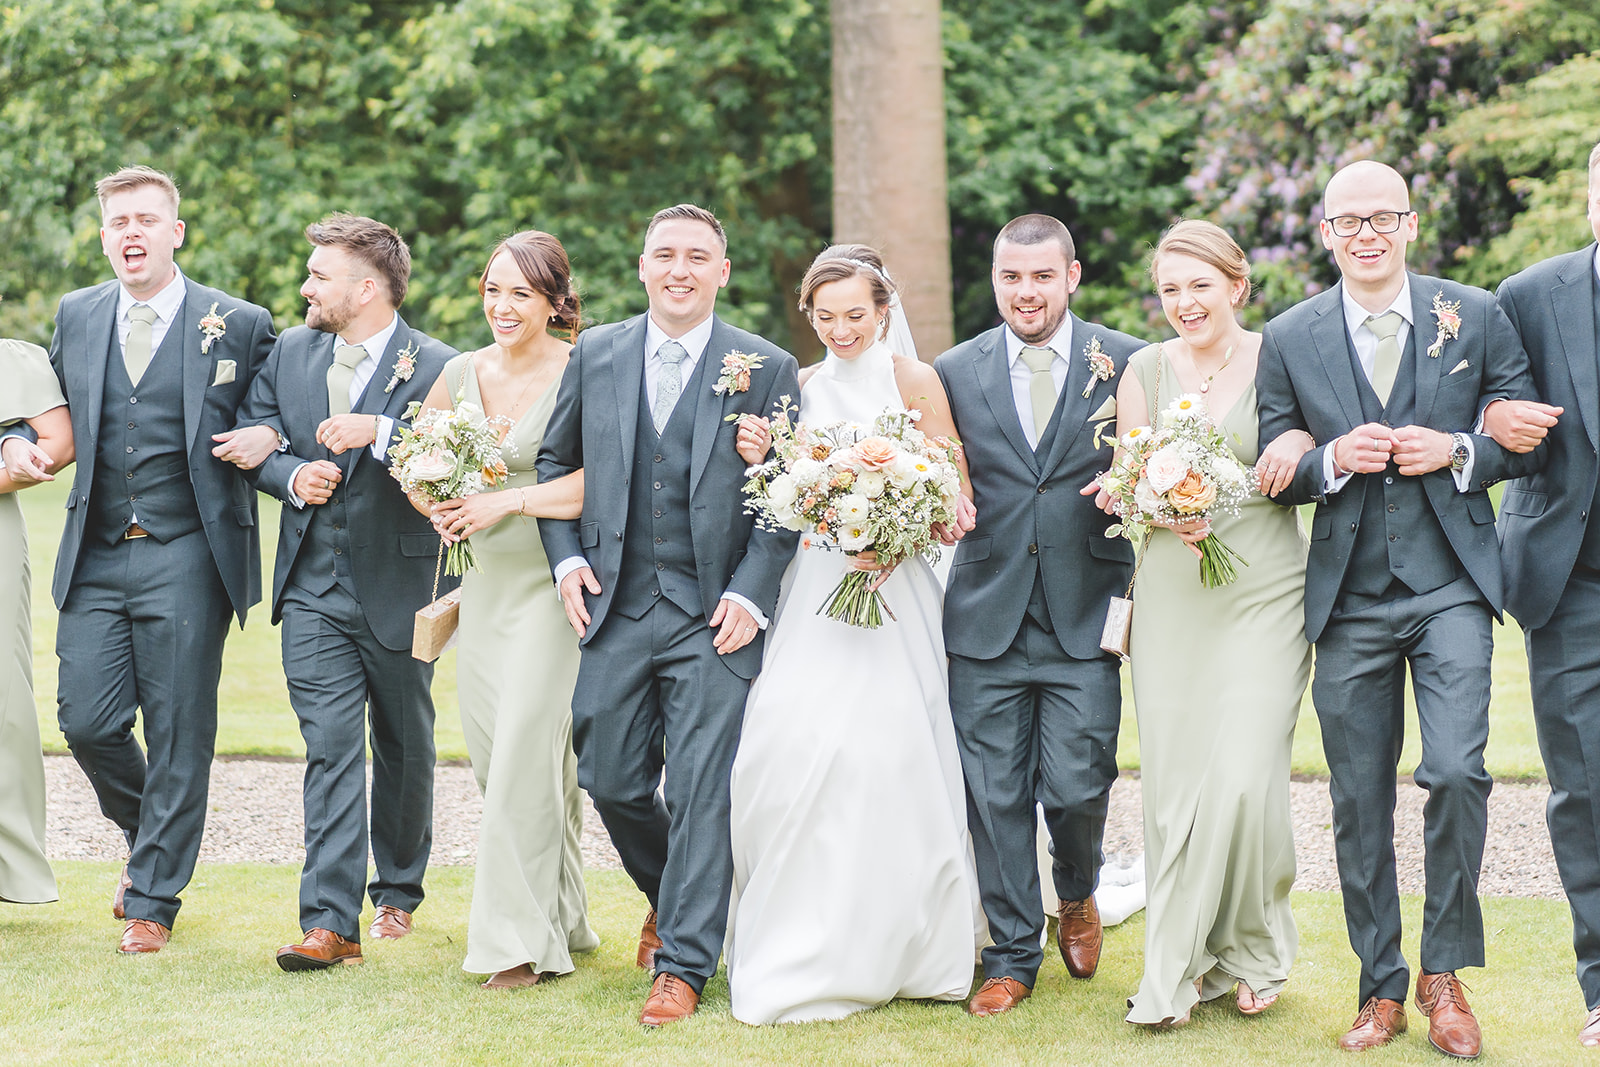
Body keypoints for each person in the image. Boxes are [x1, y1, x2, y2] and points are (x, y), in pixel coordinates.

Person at [1255, 160, 1544, 1058]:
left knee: (1457, 771)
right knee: (1356, 797)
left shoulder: (1476, 312)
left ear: (1411, 224)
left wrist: (1457, 448)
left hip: (1451, 584)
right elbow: (1276, 461)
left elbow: (1520, 433)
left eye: (1383, 217)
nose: (1367, 233)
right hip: (1347, 598)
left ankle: (1444, 975)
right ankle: (1379, 984)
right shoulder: (1291, 334)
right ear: (1328, 234)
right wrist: (1332, 456)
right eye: (1350, 221)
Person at [534, 204, 799, 1027]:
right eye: (665, 254)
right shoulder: (598, 350)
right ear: (642, 265)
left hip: (714, 612)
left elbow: (789, 492)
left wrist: (753, 593)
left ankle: (683, 964)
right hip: (615, 604)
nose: (679, 269)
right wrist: (568, 558)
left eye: (697, 256)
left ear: (723, 271)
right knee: (608, 775)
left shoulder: (766, 364)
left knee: (697, 787)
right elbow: (555, 461)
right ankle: (675, 895)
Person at [22, 166, 276, 954]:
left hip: (190, 552)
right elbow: (48, 414)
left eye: (144, 220)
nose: (129, 234)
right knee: (87, 722)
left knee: (179, 729)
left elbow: (273, 410)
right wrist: (10, 440)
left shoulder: (237, 322)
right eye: (116, 223)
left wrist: (271, 435)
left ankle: (154, 898)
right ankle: (148, 833)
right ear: (103, 237)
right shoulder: (77, 313)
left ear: (176, 231)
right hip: (96, 549)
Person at [724, 246, 981, 1024]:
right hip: (819, 591)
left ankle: (907, 934)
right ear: (809, 314)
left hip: (898, 589)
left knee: (890, 747)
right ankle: (795, 923)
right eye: (826, 316)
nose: (842, 330)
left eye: (856, 316)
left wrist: (899, 532)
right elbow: (781, 498)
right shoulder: (800, 388)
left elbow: (955, 496)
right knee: (785, 742)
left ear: (883, 310)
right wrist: (775, 470)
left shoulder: (915, 381)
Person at [213, 214, 455, 971]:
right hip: (312, 586)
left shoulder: (439, 364)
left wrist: (379, 430)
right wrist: (289, 475)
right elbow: (255, 438)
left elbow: (454, 466)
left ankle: (400, 891)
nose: (305, 287)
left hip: (403, 581)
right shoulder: (290, 350)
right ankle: (328, 922)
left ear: (367, 287)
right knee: (329, 747)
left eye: (319, 275)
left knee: (406, 742)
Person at [1095, 220, 1312, 1028]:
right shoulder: (1145, 368)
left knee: (1247, 778)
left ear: (1236, 286)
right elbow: (1123, 466)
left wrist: (1291, 440)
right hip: (1173, 596)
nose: (1185, 303)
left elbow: (1306, 440)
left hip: (1264, 589)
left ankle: (1254, 948)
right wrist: (1142, 496)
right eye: (1171, 289)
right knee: (1178, 786)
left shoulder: (1282, 353)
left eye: (1199, 285)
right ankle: (1178, 968)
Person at [932, 214, 1145, 1016]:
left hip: (1085, 612)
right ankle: (1012, 953)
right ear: (995, 281)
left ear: (1072, 276)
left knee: (1080, 781)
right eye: (1011, 278)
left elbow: (1149, 462)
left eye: (1042, 277)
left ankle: (1080, 888)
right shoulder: (953, 370)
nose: (1026, 292)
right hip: (984, 612)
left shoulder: (1125, 360)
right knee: (993, 793)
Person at [414, 231, 598, 989]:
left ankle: (515, 945)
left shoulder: (588, 368)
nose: (502, 305)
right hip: (484, 586)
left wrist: (506, 500)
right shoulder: (459, 372)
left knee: (527, 747)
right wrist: (436, 503)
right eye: (493, 289)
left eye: (521, 292)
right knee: (503, 764)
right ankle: (564, 908)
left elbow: (605, 483)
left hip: (556, 585)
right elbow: (414, 462)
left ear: (555, 302)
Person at [1492, 141, 1600, 1050]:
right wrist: (1494, 425)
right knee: (1584, 788)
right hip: (1573, 584)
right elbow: (1484, 420)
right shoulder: (1528, 295)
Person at [0, 340, 74, 905]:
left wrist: (10, 450)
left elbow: (58, 441)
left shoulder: (13, 359)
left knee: (3, 700)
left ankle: (9, 870)